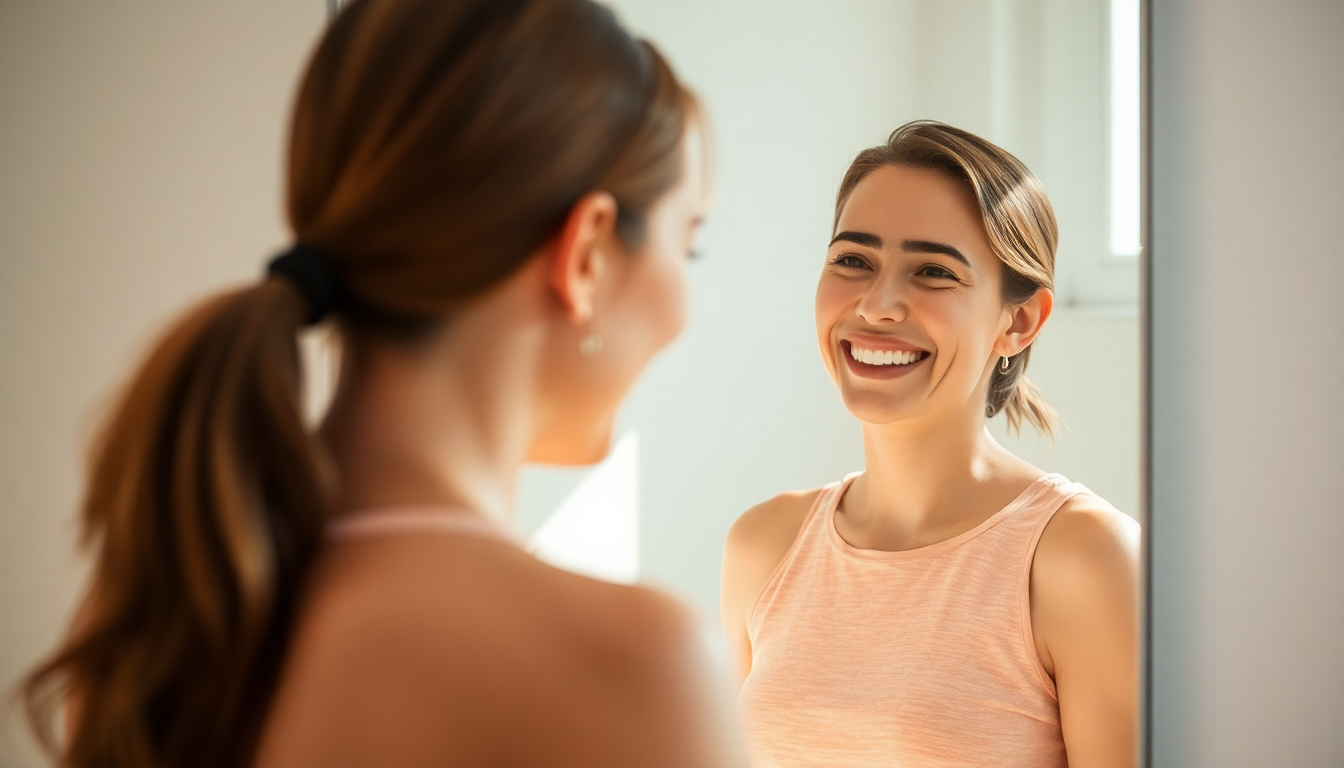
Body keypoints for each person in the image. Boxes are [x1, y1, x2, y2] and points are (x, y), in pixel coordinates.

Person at [22, 1, 743, 766]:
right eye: (687, 244)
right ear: (588, 253)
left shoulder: (161, 612)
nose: (685, 312)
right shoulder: (638, 664)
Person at [720, 121, 1140, 768]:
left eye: (934, 272)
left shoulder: (1085, 558)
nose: (879, 305)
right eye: (853, 260)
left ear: (1019, 321)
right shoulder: (764, 544)